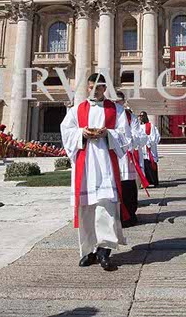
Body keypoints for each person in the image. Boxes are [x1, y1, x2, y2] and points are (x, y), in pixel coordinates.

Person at [60, 73, 131, 271]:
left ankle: (104, 251)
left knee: (106, 207)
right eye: (91, 87)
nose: (94, 91)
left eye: (98, 88)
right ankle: (89, 251)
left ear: (104, 89)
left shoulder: (116, 110)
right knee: (87, 208)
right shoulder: (77, 110)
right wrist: (82, 133)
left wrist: (108, 133)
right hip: (85, 166)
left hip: (106, 165)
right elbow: (66, 131)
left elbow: (125, 136)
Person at [115, 91, 148, 227]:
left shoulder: (130, 117)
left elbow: (140, 136)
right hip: (111, 158)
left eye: (119, 101)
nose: (117, 103)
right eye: (114, 101)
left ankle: (129, 216)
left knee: (128, 188)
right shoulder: (105, 115)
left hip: (126, 159)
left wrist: (128, 140)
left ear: (124, 102)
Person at [139, 111, 161, 188]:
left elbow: (155, 136)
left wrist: (148, 142)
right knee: (144, 165)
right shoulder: (138, 126)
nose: (141, 117)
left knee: (151, 164)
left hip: (150, 149)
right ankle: (146, 182)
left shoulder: (151, 126)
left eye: (143, 116)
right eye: (140, 116)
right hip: (142, 149)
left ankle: (154, 181)